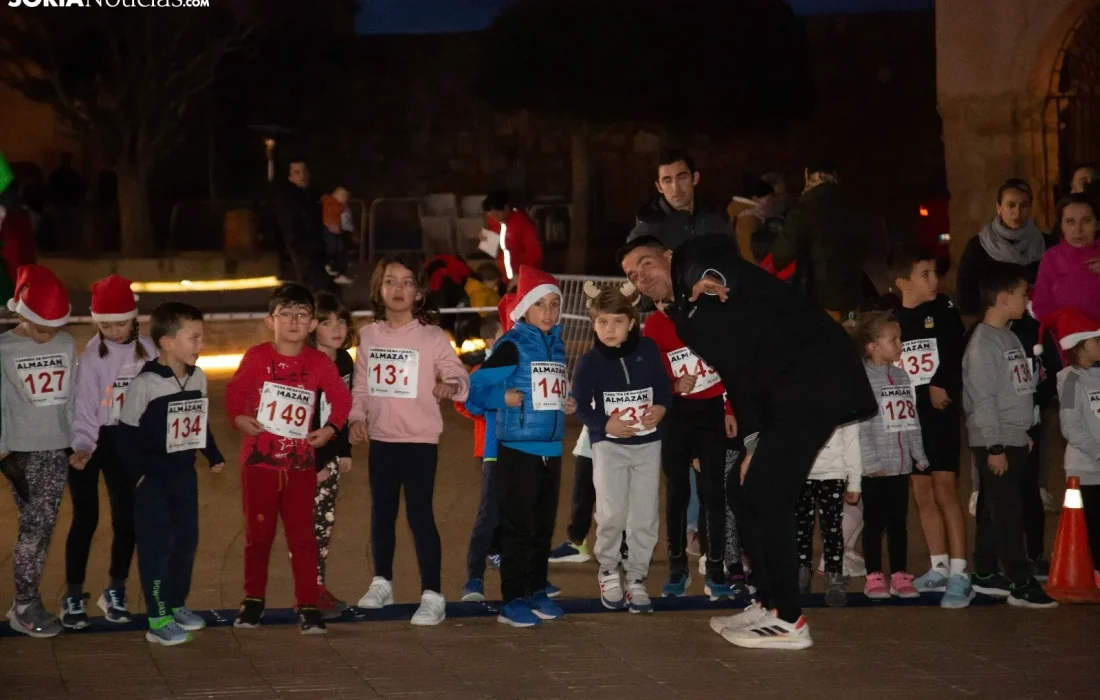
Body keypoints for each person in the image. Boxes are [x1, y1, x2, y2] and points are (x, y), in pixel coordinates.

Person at [620, 234, 877, 650]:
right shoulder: (684, 317)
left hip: (816, 380)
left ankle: (789, 620)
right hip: (785, 394)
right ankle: (768, 601)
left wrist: (706, 278)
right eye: (633, 275)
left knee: (767, 494)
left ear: (668, 256)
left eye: (645, 264)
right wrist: (753, 441)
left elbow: (719, 257)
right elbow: (736, 373)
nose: (641, 276)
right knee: (743, 489)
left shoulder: (700, 268)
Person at [348, 254, 470, 626]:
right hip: (382, 439)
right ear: (378, 289)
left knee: (420, 516)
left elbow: (458, 374)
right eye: (390, 281)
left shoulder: (432, 336)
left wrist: (451, 386)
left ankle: (433, 594)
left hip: (420, 441)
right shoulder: (368, 335)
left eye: (406, 282)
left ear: (419, 292)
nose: (398, 289)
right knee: (381, 514)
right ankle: (381, 581)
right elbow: (363, 384)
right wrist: (356, 417)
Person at [226, 283, 352, 634]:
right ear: (271, 321)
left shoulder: (318, 363)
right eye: (286, 314)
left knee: (302, 537)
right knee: (258, 536)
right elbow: (235, 392)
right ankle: (252, 600)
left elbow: (342, 399)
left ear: (312, 324)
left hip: (300, 465)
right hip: (259, 464)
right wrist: (238, 417)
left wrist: (330, 429)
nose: (295, 321)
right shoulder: (256, 357)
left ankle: (308, 604)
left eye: (303, 315)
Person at [956, 178, 1054, 557]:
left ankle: (1029, 544)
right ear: (998, 207)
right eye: (1010, 205)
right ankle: (995, 564)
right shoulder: (979, 247)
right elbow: (966, 294)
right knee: (1000, 497)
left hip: (1029, 340)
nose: (1017, 212)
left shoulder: (1044, 244)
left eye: (1023, 205)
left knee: (1035, 411)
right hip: (995, 335)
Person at [118, 302, 224, 646]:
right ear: (166, 342)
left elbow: (198, 421)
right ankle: (157, 617)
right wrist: (138, 476)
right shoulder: (145, 384)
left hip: (183, 476)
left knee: (185, 542)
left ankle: (176, 604)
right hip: (152, 481)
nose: (200, 344)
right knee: (157, 545)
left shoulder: (198, 376)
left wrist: (213, 455)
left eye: (201, 337)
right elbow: (126, 434)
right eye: (193, 338)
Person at [468, 266, 568, 628]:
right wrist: (501, 397)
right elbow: (474, 390)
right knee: (517, 527)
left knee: (543, 526)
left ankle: (536, 590)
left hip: (552, 449)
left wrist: (565, 402)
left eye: (554, 304)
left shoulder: (557, 344)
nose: (548, 312)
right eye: (540, 303)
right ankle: (511, 600)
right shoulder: (511, 344)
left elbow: (549, 391)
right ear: (524, 307)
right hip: (518, 448)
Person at [62, 275, 156, 629]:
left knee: (127, 518)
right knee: (86, 518)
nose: (115, 331)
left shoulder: (149, 351)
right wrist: (83, 444)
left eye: (121, 323)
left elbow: (155, 403)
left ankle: (115, 589)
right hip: (90, 440)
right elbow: (84, 405)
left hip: (125, 442)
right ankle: (72, 593)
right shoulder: (91, 357)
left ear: (134, 319)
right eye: (107, 325)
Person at [962, 264, 1057, 609]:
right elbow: (983, 400)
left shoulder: (1011, 336)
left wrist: (1024, 430)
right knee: (1008, 510)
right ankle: (1020, 580)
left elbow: (1020, 386)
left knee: (993, 506)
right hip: (996, 440)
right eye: (1021, 294)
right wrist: (996, 446)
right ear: (1002, 299)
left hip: (1014, 436)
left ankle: (985, 572)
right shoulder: (982, 344)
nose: (1026, 299)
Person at [571, 284, 669, 613]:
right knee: (612, 512)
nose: (609, 329)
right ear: (593, 324)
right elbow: (580, 406)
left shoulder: (649, 350)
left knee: (644, 514)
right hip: (609, 447)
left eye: (616, 321)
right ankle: (609, 569)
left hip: (647, 445)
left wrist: (661, 410)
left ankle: (637, 576)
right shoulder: (589, 362)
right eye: (602, 322)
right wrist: (603, 424)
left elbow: (663, 389)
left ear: (631, 322)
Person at [641, 283, 741, 599]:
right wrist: (672, 383)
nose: (662, 307)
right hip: (675, 415)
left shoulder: (705, 317)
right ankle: (677, 568)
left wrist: (728, 407)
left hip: (711, 411)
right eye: (655, 302)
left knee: (714, 491)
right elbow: (650, 370)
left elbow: (730, 363)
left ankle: (715, 569)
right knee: (677, 493)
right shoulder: (654, 325)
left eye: (666, 300)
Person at [885, 247, 972, 608]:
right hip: (909, 420)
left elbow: (955, 350)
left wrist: (940, 382)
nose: (934, 280)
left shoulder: (944, 309)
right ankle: (936, 566)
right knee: (921, 493)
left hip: (940, 415)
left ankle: (959, 571)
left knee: (945, 490)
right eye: (925, 274)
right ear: (903, 282)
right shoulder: (892, 322)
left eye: (935, 272)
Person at [1, 265, 74, 638]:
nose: (49, 336)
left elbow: (70, 396)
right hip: (22, 452)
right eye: (41, 328)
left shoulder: (65, 344)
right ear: (22, 315)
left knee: (42, 529)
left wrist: (77, 439)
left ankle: (25, 602)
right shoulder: (4, 348)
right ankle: (25, 605)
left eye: (54, 328)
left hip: (55, 448)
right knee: (34, 529)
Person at [845, 310, 925, 600]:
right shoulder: (862, 379)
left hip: (901, 465)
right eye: (894, 339)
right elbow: (861, 426)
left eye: (900, 338)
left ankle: (901, 575)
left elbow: (910, 418)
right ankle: (874, 575)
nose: (900, 344)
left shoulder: (902, 375)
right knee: (875, 522)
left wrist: (918, 453)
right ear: (872, 347)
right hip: (875, 467)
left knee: (898, 523)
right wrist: (872, 462)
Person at [769, 159, 868, 318]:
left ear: (809, 176)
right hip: (854, 292)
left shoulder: (805, 209)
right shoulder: (853, 204)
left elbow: (782, 254)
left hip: (824, 297)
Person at [307, 292, 355, 620]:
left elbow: (344, 408)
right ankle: (309, 594)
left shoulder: (344, 361)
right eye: (326, 322)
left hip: (332, 457)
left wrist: (345, 449)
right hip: (308, 462)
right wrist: (314, 465)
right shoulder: (307, 365)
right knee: (309, 530)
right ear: (313, 328)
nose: (336, 329)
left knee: (323, 528)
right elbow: (304, 417)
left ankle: (316, 588)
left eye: (341, 321)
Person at [1050, 308, 1100, 585]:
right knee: (1092, 523)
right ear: (1081, 345)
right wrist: (1097, 452)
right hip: (1085, 467)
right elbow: (1070, 425)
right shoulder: (1068, 379)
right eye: (1097, 340)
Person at [460, 314, 506, 602]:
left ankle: (503, 556)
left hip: (518, 448)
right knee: (489, 511)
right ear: (490, 341)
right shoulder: (482, 370)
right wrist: (484, 415)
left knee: (512, 510)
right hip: (490, 449)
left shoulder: (518, 365)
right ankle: (475, 577)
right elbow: (466, 403)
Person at [796, 422, 860, 607]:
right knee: (800, 529)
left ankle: (834, 576)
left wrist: (855, 481)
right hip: (801, 474)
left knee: (832, 530)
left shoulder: (842, 398)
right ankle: (802, 573)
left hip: (833, 475)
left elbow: (852, 442)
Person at [626, 149, 731, 250]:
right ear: (659, 187)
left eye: (681, 178)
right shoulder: (646, 231)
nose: (676, 188)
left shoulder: (717, 216)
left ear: (695, 178)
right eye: (667, 181)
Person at [1032, 193, 1100, 322]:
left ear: (1097, 225)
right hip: (1066, 337)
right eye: (1070, 222)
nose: (1078, 230)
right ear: (1061, 226)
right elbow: (1041, 308)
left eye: (1086, 221)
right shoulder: (1051, 258)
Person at [271, 161, 333, 294]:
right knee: (319, 291)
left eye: (304, 171)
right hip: (306, 254)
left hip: (316, 252)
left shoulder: (312, 195)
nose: (302, 176)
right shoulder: (290, 200)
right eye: (297, 172)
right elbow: (291, 230)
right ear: (290, 177)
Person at [481, 191, 543, 284]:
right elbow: (497, 248)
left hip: (522, 278)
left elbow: (535, 254)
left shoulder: (523, 223)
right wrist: (486, 240)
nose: (495, 218)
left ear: (506, 208)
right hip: (502, 278)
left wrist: (522, 275)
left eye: (497, 214)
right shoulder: (494, 222)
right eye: (492, 216)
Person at [727, 177, 775, 261]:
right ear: (755, 198)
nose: (771, 204)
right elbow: (746, 249)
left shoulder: (738, 211)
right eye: (768, 200)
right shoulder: (750, 218)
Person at [320, 187, 354, 286]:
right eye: (344, 196)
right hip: (332, 230)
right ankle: (333, 269)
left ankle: (335, 269)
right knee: (334, 249)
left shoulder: (333, 204)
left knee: (338, 250)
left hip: (336, 231)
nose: (346, 199)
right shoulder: (333, 204)